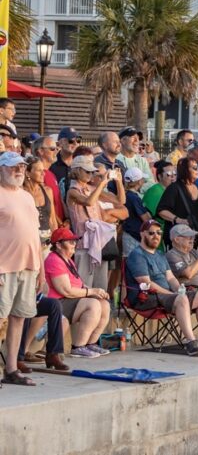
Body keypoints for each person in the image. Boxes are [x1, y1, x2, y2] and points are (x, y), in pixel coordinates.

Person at [125, 220, 198, 356]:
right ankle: (191, 342)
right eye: (151, 233)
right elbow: (147, 283)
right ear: (142, 234)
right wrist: (173, 294)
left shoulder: (159, 255)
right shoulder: (137, 255)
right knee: (181, 300)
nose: (156, 236)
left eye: (159, 233)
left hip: (166, 296)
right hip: (146, 297)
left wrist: (180, 290)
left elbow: (171, 278)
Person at [0, 152, 44, 385]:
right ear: (1, 169)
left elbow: (35, 235)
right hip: (3, 267)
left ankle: (11, 369)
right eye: (11, 167)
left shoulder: (27, 197)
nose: (17, 170)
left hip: (29, 266)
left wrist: (41, 269)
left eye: (21, 166)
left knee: (18, 317)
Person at [43, 227, 111, 358]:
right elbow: (65, 291)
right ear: (58, 245)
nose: (74, 244)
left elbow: (79, 284)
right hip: (57, 303)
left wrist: (97, 292)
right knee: (93, 305)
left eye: (74, 241)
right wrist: (90, 292)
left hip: (68, 300)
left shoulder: (68, 260)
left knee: (104, 304)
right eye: (70, 242)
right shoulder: (54, 260)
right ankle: (78, 347)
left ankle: (91, 343)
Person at [65, 155, 119, 290]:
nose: (91, 174)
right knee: (84, 285)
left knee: (101, 285)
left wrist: (118, 181)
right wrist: (102, 184)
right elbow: (88, 202)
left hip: (98, 242)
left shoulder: (90, 189)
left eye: (92, 171)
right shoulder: (72, 191)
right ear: (77, 171)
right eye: (87, 171)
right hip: (83, 244)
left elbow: (120, 201)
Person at [116, 126, 155, 194]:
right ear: (122, 140)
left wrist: (135, 189)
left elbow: (151, 183)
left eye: (138, 138)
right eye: (133, 137)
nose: (137, 141)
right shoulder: (115, 160)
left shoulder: (142, 161)